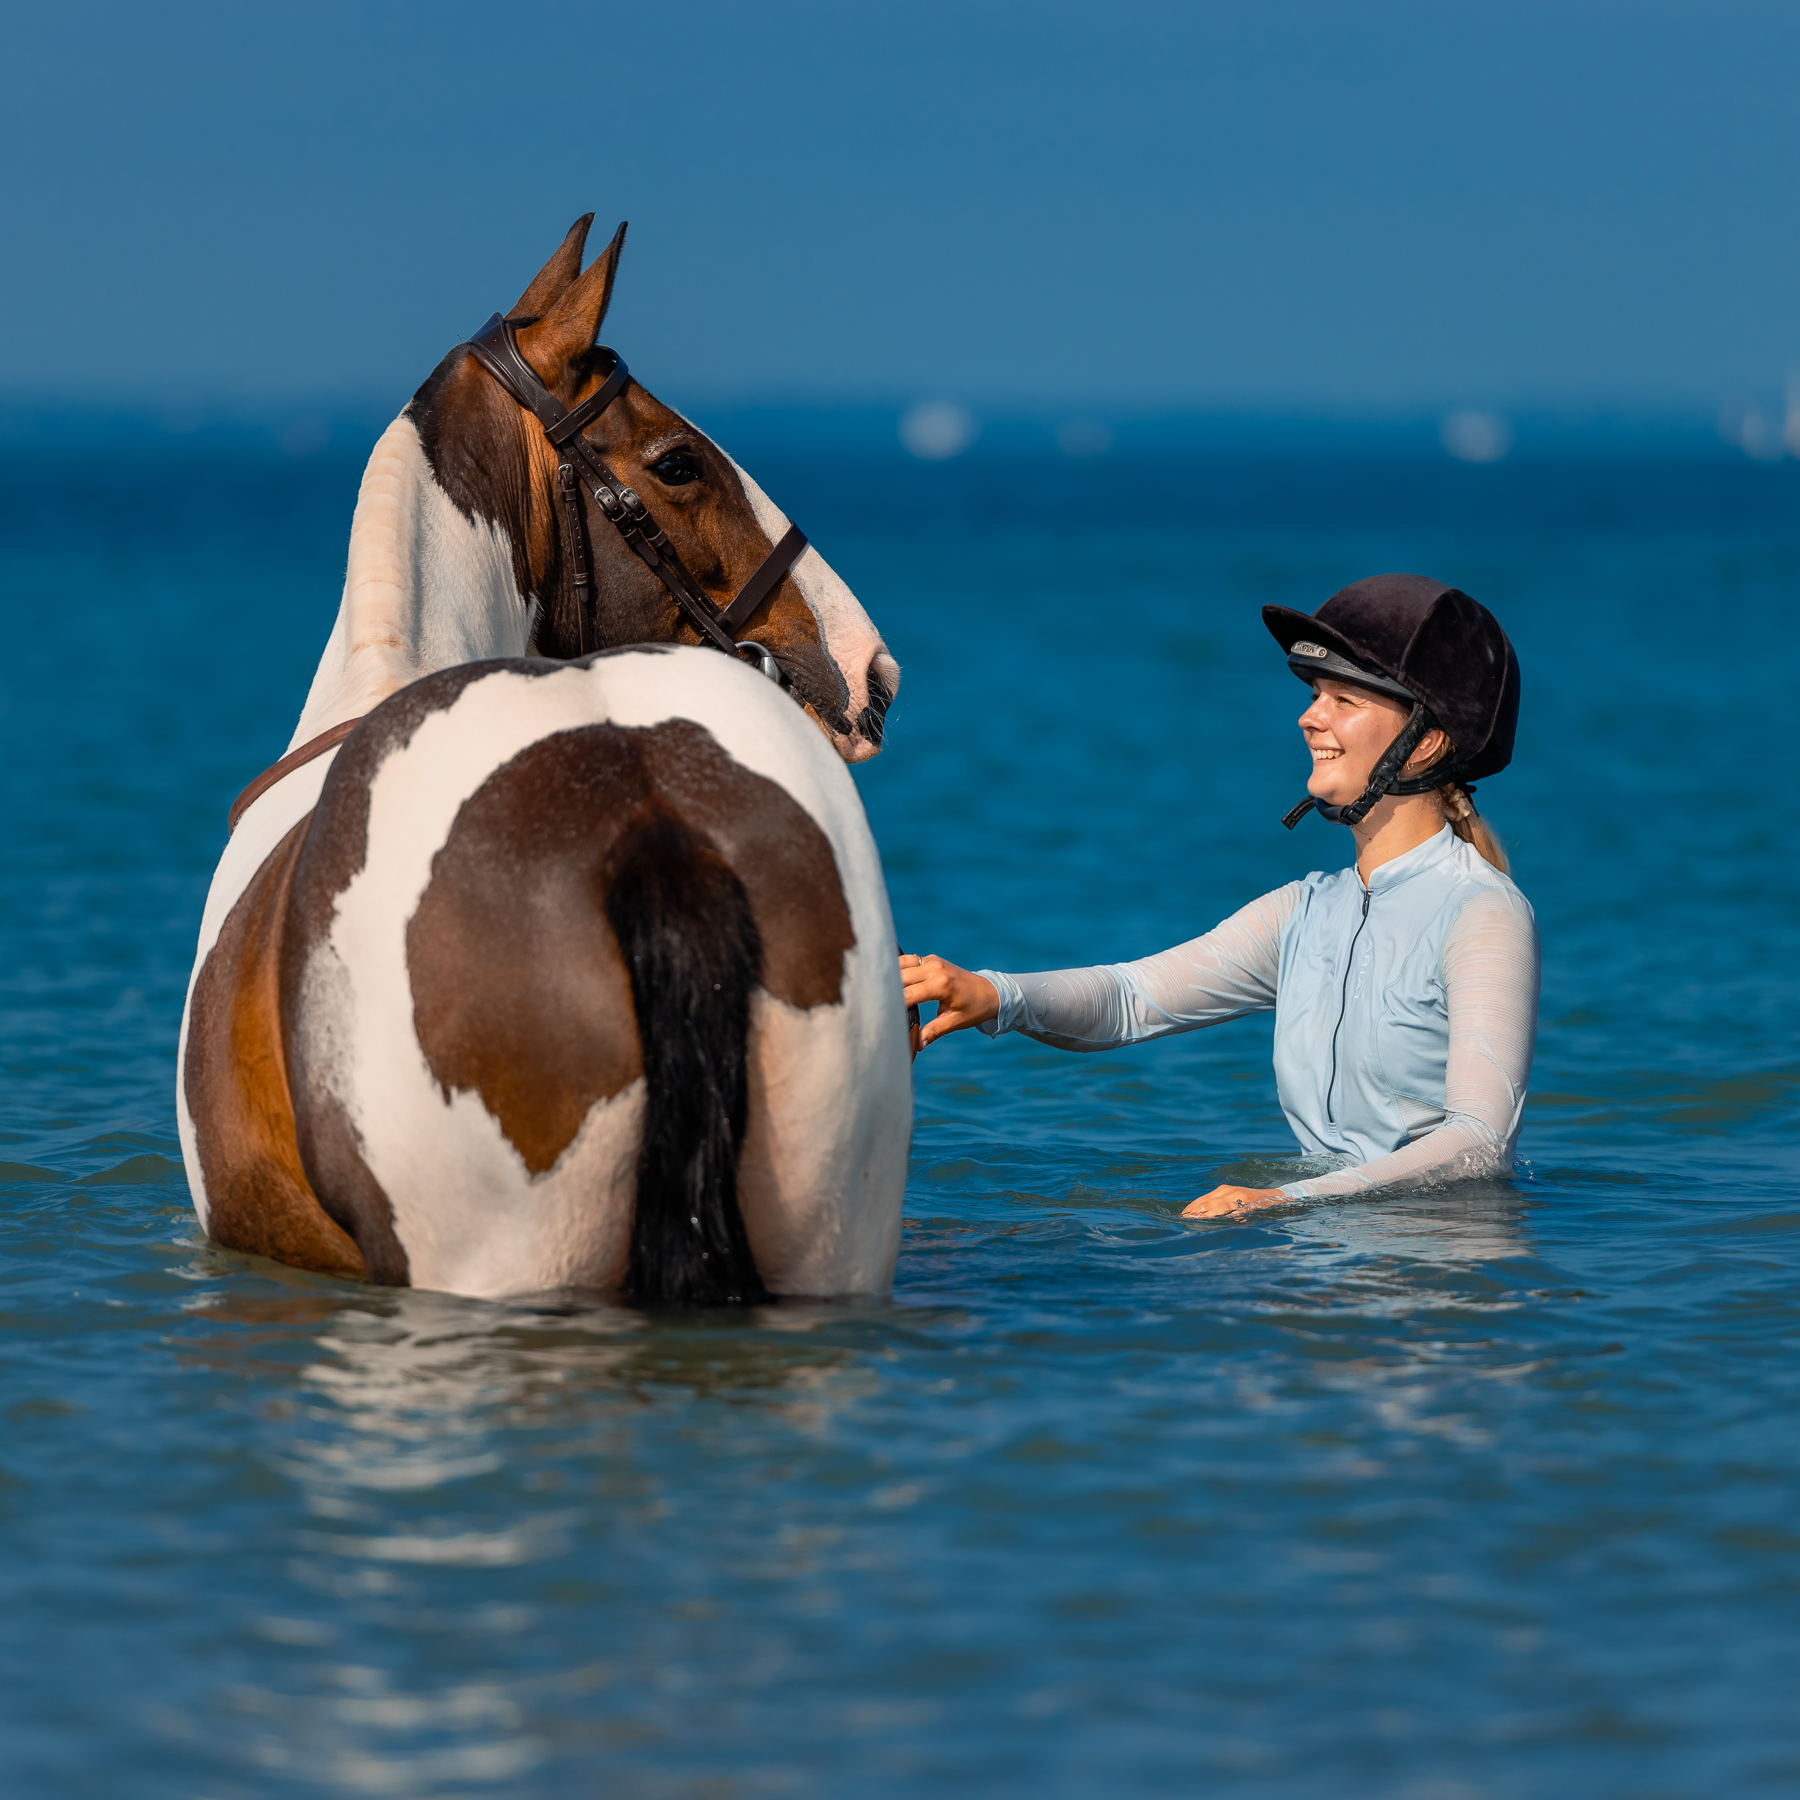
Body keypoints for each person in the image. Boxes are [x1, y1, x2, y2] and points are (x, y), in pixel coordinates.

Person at [900, 574, 1540, 1219]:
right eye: (1317, 694)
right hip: (1324, 1261)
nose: (1309, 716)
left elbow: (1478, 1143)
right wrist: (993, 994)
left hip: (1440, 1282)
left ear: (1424, 743)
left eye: (1345, 699)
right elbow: (1131, 999)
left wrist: (1283, 1199)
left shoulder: (1483, 911)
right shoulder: (1305, 912)